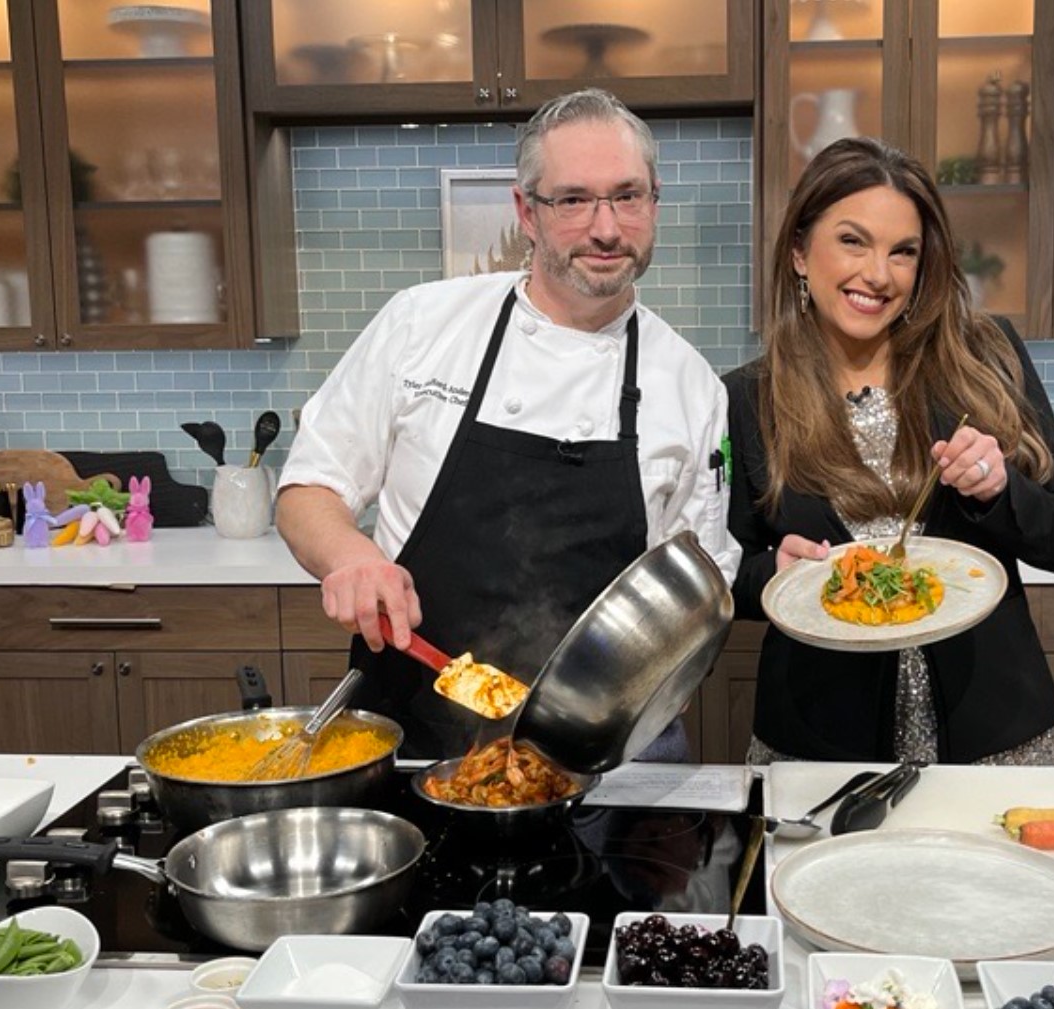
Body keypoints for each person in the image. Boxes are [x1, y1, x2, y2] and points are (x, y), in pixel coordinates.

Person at [276, 88, 739, 762]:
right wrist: (350, 557)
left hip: (600, 759)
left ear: (654, 203)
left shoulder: (690, 385)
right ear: (526, 212)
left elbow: (697, 587)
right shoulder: (422, 325)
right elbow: (308, 488)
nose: (606, 228)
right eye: (573, 200)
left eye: (628, 196)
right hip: (414, 739)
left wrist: (674, 673)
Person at [726, 137, 1054, 766]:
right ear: (798, 252)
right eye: (852, 241)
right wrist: (773, 571)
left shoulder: (984, 357)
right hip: (820, 746)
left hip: (992, 736)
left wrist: (1000, 490)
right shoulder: (746, 397)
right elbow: (726, 569)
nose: (878, 274)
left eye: (903, 252)